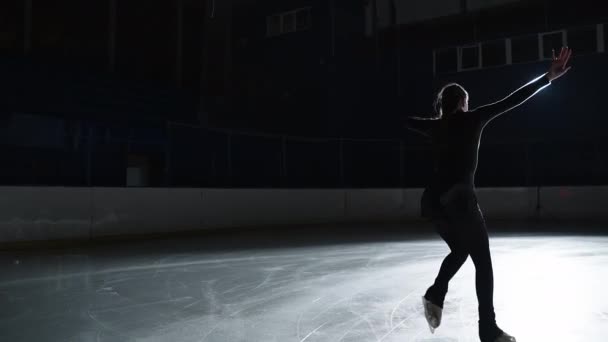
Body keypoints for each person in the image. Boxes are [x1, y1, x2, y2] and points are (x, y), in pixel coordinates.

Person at [405, 47, 572, 342]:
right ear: (463, 103)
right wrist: (548, 77)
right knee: (483, 263)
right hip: (460, 200)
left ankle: (436, 293)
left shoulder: (435, 127)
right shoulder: (473, 119)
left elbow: (407, 121)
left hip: (433, 202)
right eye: (467, 102)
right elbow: (512, 100)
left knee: (460, 250)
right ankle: (488, 329)